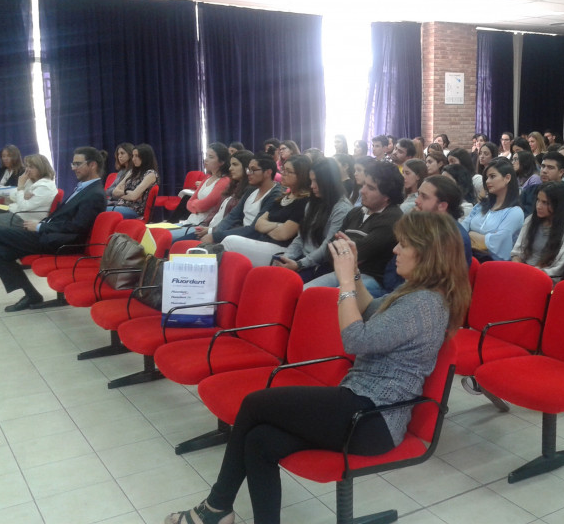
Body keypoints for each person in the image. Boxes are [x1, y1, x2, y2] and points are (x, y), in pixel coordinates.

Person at [166, 211, 469, 524]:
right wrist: (352, 274)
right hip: (361, 406)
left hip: (372, 418)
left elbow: (354, 339)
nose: (395, 250)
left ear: (426, 253)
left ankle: (216, 508)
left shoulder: (424, 303)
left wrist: (343, 283)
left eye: (403, 245)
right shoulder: (417, 293)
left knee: (254, 404)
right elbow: (369, 309)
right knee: (260, 442)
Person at [0, 147, 106, 309]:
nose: (74, 168)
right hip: (52, 233)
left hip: (62, 242)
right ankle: (32, 295)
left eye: (78, 164)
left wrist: (41, 226)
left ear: (93, 165)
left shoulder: (95, 193)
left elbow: (78, 226)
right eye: (73, 164)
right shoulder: (84, 187)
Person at [304, 161, 404, 296]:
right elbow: (330, 252)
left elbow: (358, 254)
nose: (362, 190)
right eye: (363, 185)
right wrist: (346, 252)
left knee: (327, 302)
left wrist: (343, 249)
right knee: (304, 292)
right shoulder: (356, 212)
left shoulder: (393, 219)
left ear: (387, 197)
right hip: (341, 271)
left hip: (369, 278)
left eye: (371, 188)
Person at [222, 156, 312, 266]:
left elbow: (284, 234)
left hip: (282, 249)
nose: (283, 173)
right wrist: (279, 225)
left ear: (301, 176)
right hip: (264, 242)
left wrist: (268, 227)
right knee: (230, 251)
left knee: (229, 242)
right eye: (283, 169)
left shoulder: (304, 201)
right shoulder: (282, 198)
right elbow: (258, 224)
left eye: (288, 171)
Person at [272, 158, 352, 281]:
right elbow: (301, 237)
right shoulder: (312, 203)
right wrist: (286, 258)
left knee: (285, 284)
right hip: (302, 259)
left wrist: (299, 264)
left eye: (316, 181)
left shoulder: (342, 209)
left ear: (329, 182)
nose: (312, 186)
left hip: (319, 265)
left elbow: (327, 247)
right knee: (271, 274)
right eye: (311, 181)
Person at [171, 150, 255, 243]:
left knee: (173, 242)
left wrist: (210, 230)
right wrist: (204, 224)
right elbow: (211, 210)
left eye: (235, 165)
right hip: (203, 225)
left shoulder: (228, 183)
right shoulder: (228, 185)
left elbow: (205, 206)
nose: (230, 168)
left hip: (215, 231)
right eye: (231, 165)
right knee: (164, 235)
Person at [204, 154, 282, 245]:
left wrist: (216, 236)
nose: (248, 173)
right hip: (241, 235)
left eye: (253, 170)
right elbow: (233, 216)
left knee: (225, 241)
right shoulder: (251, 189)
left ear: (268, 172)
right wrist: (214, 233)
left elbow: (255, 229)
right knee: (199, 240)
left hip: (258, 239)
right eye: (248, 169)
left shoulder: (275, 194)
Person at [511, 181, 564, 280]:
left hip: (546, 278)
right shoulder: (531, 220)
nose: (538, 206)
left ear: (558, 205)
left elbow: (558, 268)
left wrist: (530, 274)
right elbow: (517, 252)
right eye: (538, 200)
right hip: (523, 271)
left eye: (545, 203)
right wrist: (518, 268)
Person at [0, 154, 58, 242]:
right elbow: (14, 196)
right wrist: (22, 192)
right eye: (27, 166)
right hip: (15, 210)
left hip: (24, 218)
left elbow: (24, 207)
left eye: (31, 167)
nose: (27, 170)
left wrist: (21, 187)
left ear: (41, 168)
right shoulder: (31, 181)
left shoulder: (45, 186)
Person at [461, 158, 524, 261]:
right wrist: (481, 239)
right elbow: (462, 230)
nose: (487, 181)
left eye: (492, 176)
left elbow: (498, 242)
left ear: (507, 178)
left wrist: (471, 234)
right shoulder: (481, 205)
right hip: (469, 257)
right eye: (486, 177)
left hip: (495, 265)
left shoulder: (515, 212)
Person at [177, 143, 231, 226]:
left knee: (164, 236)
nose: (206, 160)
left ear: (222, 162)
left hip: (202, 225)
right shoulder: (207, 177)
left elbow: (204, 206)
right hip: (191, 220)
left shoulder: (224, 181)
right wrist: (196, 204)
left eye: (211, 157)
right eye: (206, 155)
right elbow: (188, 203)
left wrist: (194, 204)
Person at [106, 143, 159, 218]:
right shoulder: (131, 172)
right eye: (133, 156)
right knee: (97, 210)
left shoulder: (150, 174)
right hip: (120, 205)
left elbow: (133, 196)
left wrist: (123, 193)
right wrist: (127, 192)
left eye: (137, 156)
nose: (133, 159)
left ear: (145, 157)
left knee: (101, 212)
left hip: (134, 210)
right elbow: (115, 192)